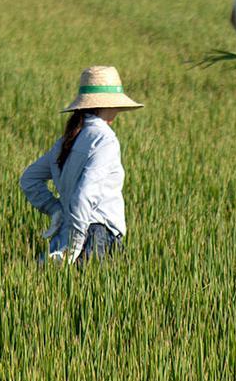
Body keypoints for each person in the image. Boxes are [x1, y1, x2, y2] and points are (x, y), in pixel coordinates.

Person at [19, 66, 143, 264]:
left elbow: (29, 179)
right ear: (110, 105)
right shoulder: (104, 140)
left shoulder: (68, 138)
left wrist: (56, 210)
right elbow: (84, 195)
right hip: (96, 237)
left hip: (66, 233)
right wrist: (76, 244)